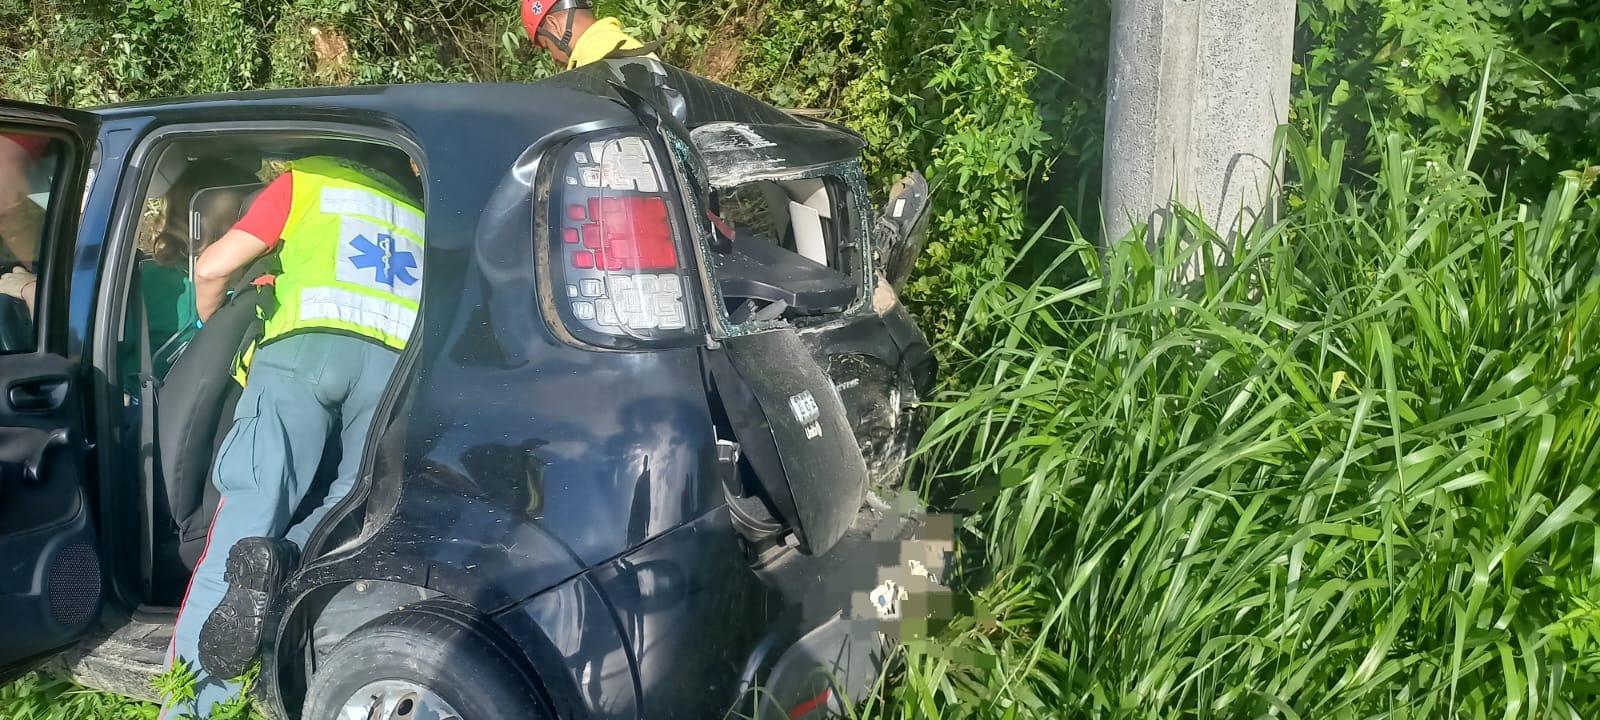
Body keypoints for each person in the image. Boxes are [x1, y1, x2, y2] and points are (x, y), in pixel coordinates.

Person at [159, 148, 424, 719]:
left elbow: (211, 267)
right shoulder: (422, 214)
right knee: (347, 504)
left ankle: (195, 705)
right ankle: (281, 563)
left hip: (304, 353)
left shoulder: (309, 181)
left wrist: (209, 327)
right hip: (392, 373)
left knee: (249, 508)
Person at [521, 0, 657, 70]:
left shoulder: (595, 57)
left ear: (554, 25)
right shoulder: (617, 43)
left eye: (547, 46)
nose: (553, 58)